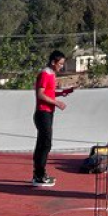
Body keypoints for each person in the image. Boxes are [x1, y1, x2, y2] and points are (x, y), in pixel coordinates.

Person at [31, 50, 74, 187]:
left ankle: (39, 173)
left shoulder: (51, 74)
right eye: (60, 64)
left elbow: (49, 92)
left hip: (48, 113)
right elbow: (40, 94)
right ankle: (39, 175)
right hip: (42, 113)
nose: (61, 66)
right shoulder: (45, 74)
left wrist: (62, 93)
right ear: (53, 62)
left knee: (43, 143)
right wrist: (57, 103)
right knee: (45, 144)